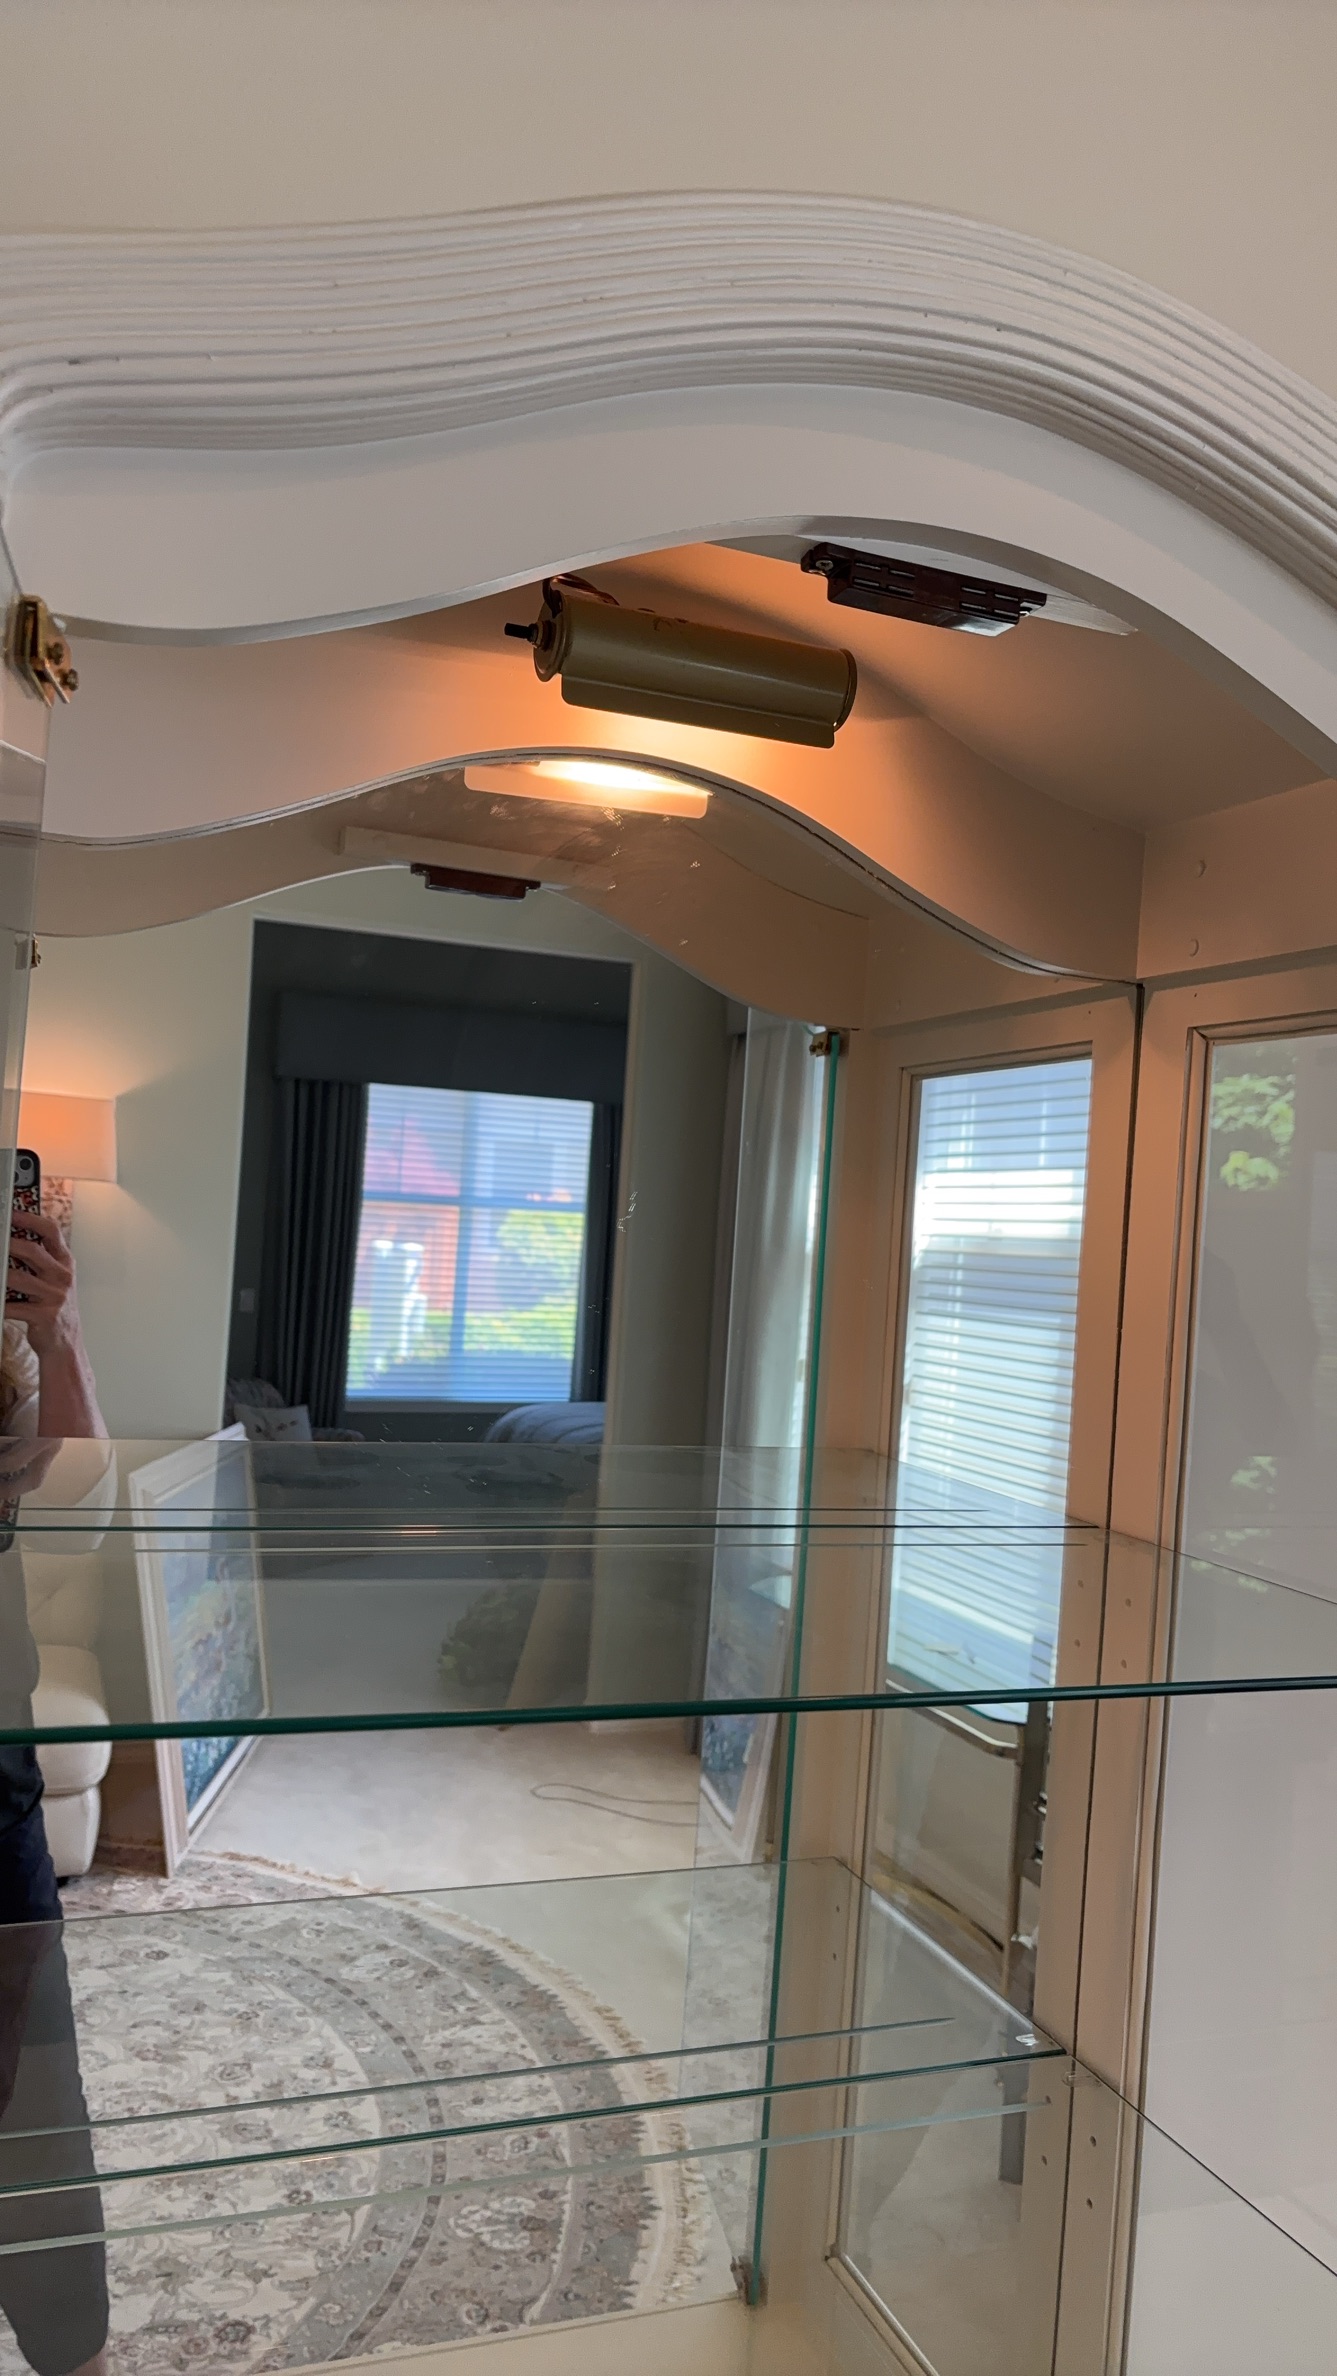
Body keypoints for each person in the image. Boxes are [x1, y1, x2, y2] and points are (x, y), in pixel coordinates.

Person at [0, 1210, 110, 2376]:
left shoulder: (11, 1346)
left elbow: (77, 1523)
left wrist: (59, 1334)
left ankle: (71, 2352)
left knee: (34, 2100)